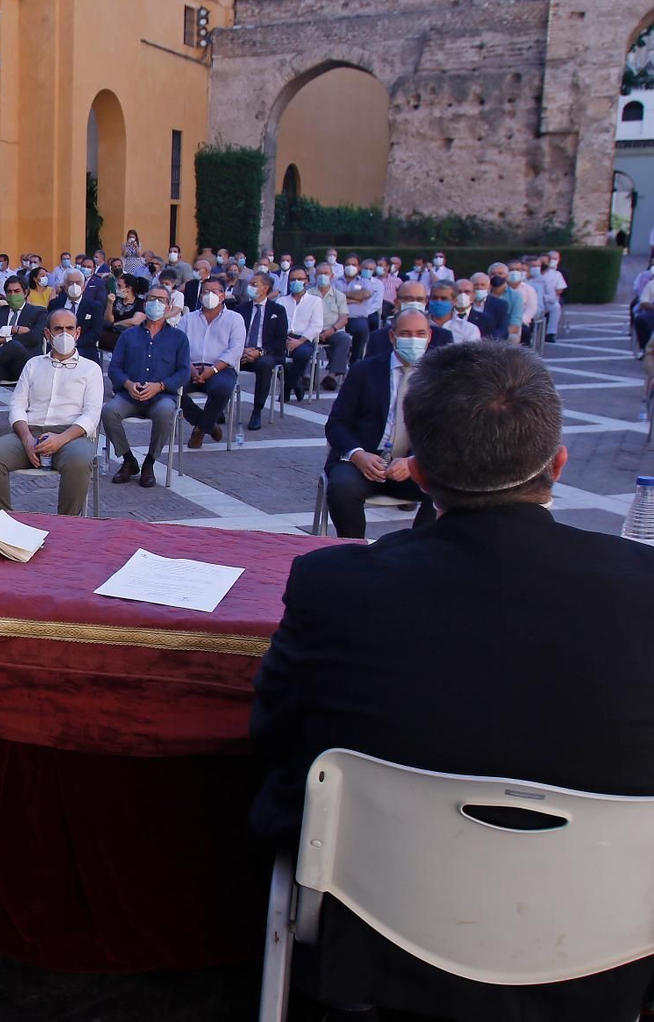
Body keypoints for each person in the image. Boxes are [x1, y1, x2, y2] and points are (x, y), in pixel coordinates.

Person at [251, 340, 654, 1022]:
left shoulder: (335, 587)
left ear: (423, 474)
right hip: (610, 946)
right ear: (558, 465)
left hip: (374, 933)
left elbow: (272, 731)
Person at [321, 308, 438, 539]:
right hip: (364, 461)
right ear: (393, 336)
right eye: (406, 333)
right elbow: (337, 423)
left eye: (419, 333)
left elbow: (448, 435)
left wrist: (414, 461)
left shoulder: (442, 377)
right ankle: (354, 553)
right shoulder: (364, 371)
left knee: (448, 487)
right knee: (342, 488)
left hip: (415, 464)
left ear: (429, 336)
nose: (413, 339)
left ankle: (420, 553)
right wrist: (357, 454)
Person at [0, 309, 100, 515]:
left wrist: (60, 440)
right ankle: (4, 522)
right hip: (30, 433)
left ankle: (65, 526)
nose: (64, 334)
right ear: (47, 334)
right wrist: (26, 438)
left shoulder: (91, 369)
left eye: (69, 329)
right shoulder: (33, 365)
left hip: (71, 436)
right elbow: (16, 405)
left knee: (79, 463)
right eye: (58, 329)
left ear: (78, 333)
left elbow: (91, 414)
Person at [102, 286, 188, 488]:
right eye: (152, 299)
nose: (156, 303)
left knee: (166, 412)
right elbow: (114, 368)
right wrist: (128, 384)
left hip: (161, 396)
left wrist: (160, 386)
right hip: (129, 394)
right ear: (145, 302)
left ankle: (149, 462)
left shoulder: (178, 338)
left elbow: (184, 372)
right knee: (108, 411)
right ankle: (128, 460)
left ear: (168, 307)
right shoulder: (129, 335)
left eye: (161, 300)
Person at [0, 276, 46, 443]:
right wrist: (14, 329)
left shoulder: (38, 312)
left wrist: (5, 338)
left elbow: (35, 337)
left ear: (26, 292)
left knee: (13, 346)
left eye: (17, 291)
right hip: (1, 365)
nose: (12, 295)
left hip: (26, 364)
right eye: (9, 292)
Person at [177, 281, 242, 449]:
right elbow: (178, 347)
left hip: (221, 368)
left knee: (221, 389)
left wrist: (212, 370)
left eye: (214, 291)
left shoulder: (234, 319)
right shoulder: (188, 319)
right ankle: (207, 424)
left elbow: (235, 350)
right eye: (205, 291)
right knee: (172, 389)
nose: (209, 295)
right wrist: (191, 368)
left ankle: (200, 430)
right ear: (200, 295)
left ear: (223, 295)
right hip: (190, 367)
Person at [237, 272, 288, 432]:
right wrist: (241, 349)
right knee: (223, 362)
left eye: (254, 284)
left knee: (265, 365)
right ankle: (220, 408)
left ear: (265, 288)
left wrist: (260, 351)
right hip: (242, 351)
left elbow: (280, 340)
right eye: (250, 284)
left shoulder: (277, 310)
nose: (250, 287)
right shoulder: (241, 309)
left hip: (266, 354)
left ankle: (257, 411)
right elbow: (233, 334)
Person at [363, 281, 454, 357]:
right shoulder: (377, 338)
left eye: (419, 299)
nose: (414, 303)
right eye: (408, 299)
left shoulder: (443, 338)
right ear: (396, 302)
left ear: (426, 302)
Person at [277, 267, 324, 403]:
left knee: (302, 355)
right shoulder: (281, 301)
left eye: (300, 279)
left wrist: (299, 341)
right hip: (284, 338)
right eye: (293, 279)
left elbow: (316, 325)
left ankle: (287, 387)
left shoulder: (315, 301)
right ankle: (296, 382)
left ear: (306, 281)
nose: (296, 282)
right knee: (275, 357)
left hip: (304, 339)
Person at [312, 265, 352, 391]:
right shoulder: (308, 294)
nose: (323, 276)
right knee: (302, 341)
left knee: (344, 339)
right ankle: (306, 377)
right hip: (313, 331)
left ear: (332, 276)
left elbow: (344, 318)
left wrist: (332, 330)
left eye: (326, 273)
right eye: (320, 273)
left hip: (333, 331)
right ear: (315, 276)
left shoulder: (339, 296)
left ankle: (332, 376)